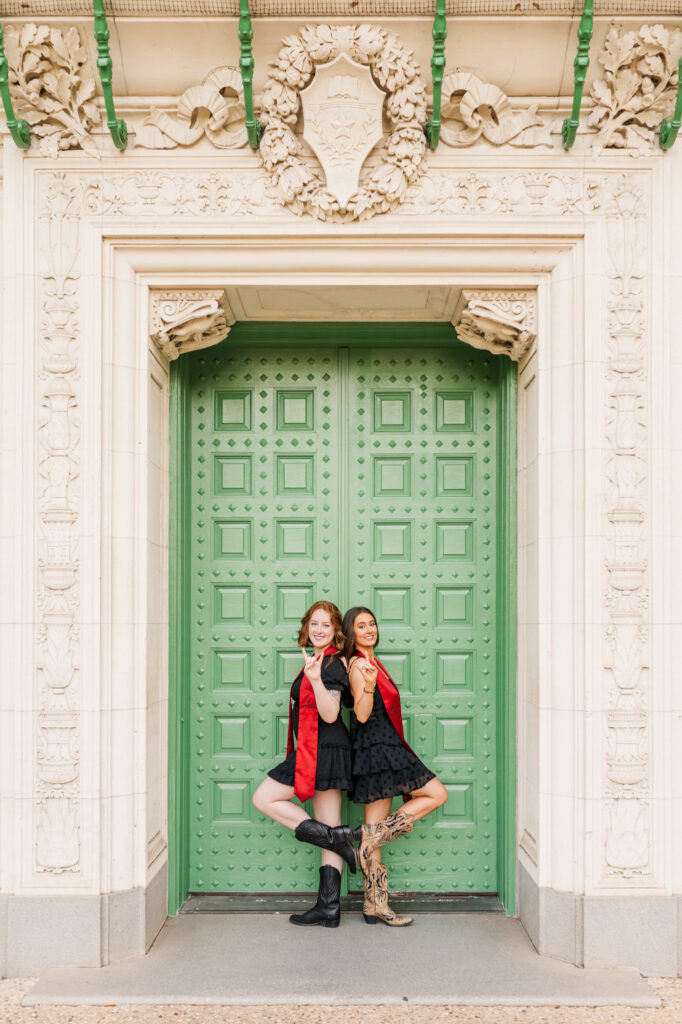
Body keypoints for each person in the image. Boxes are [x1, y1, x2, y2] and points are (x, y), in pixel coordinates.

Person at [343, 606, 448, 927]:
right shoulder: (359, 665)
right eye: (361, 626)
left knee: (373, 837)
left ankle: (374, 905)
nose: (369, 629)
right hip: (377, 748)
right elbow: (361, 714)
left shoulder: (374, 662)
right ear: (351, 633)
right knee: (436, 794)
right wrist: (370, 685)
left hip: (384, 746)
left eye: (372, 623)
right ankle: (369, 838)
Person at [252, 600, 355, 928]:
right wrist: (311, 673)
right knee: (330, 825)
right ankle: (329, 906)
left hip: (327, 749)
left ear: (336, 631)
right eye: (314, 624)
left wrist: (314, 679)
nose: (319, 630)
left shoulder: (334, 664)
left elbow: (330, 714)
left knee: (264, 798)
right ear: (306, 628)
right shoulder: (315, 661)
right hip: (314, 748)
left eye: (326, 625)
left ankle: (334, 851)